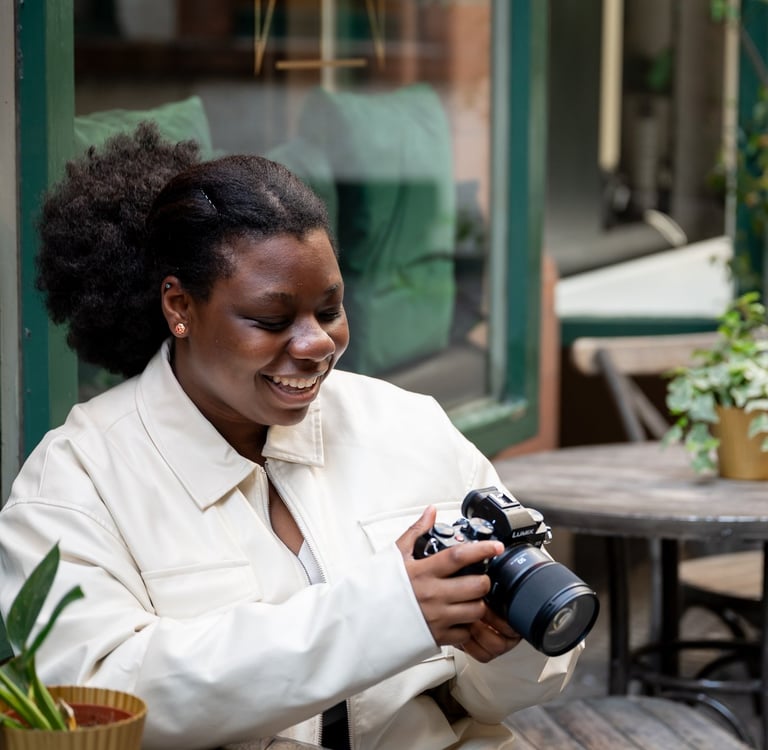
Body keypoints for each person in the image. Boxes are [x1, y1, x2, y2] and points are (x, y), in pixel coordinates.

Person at [0, 123, 582, 750]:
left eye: (329, 310)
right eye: (271, 319)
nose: (316, 345)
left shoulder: (407, 426)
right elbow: (94, 698)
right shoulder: (78, 480)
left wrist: (508, 647)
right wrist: (387, 613)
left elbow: (495, 692)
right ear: (180, 306)